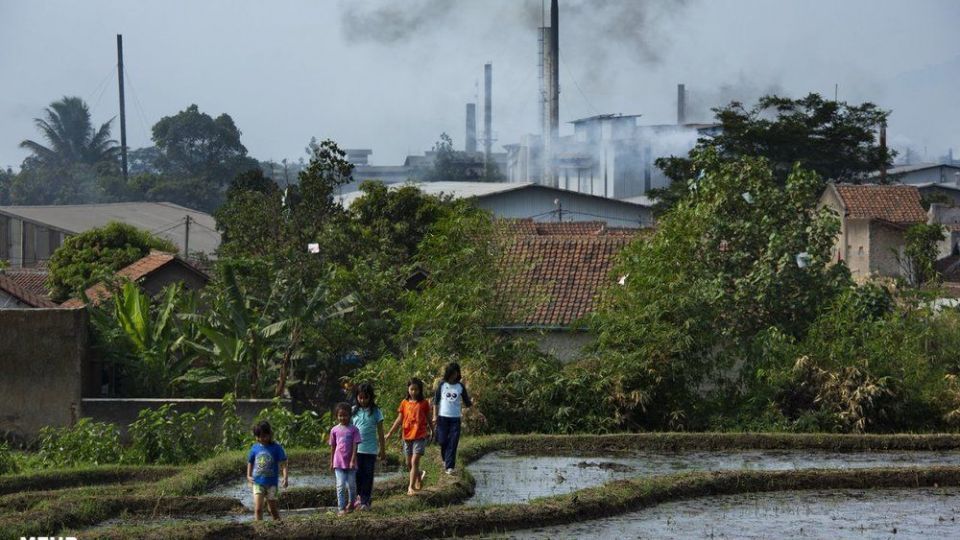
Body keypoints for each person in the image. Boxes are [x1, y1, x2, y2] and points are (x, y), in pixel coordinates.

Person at [385, 377, 433, 496]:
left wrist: (432, 430)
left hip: (420, 435)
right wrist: (390, 432)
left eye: (416, 389)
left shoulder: (424, 403)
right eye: (412, 389)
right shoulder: (404, 403)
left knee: (414, 460)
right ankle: (419, 474)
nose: (414, 392)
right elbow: (399, 419)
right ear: (408, 389)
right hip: (407, 436)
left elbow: (428, 417)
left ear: (420, 390)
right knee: (409, 463)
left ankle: (410, 487)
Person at [432, 362, 478, 474]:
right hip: (443, 418)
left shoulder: (460, 386)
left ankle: (450, 466)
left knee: (453, 442)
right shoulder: (442, 385)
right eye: (452, 374)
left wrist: (477, 413)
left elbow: (468, 403)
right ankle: (445, 459)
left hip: (455, 419)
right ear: (448, 374)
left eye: (456, 374)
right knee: (442, 441)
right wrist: (434, 416)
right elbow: (435, 401)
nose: (454, 376)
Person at [352, 382, 386, 510]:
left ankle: (365, 501)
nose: (363, 400)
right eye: (360, 397)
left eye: (365, 397)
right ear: (357, 397)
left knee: (368, 475)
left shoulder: (376, 412)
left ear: (370, 397)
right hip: (356, 451)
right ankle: (359, 498)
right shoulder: (353, 412)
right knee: (357, 475)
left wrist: (382, 451)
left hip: (371, 451)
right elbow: (349, 432)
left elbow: (381, 433)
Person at [246, 420, 288, 521]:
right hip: (258, 482)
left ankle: (278, 525)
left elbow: (284, 463)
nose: (262, 439)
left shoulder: (276, 448)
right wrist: (248, 475)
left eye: (264, 436)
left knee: (272, 509)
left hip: (272, 484)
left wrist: (285, 477)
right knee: (258, 509)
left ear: (270, 434)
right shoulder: (255, 448)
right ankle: (259, 529)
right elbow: (250, 462)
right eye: (259, 436)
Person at [329, 402, 362, 516]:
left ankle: (351, 503)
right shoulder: (334, 430)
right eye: (340, 415)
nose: (343, 418)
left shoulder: (354, 429)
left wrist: (353, 460)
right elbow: (333, 446)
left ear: (350, 415)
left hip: (351, 463)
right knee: (340, 485)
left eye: (345, 415)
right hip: (338, 462)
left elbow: (355, 446)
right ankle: (341, 508)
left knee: (352, 485)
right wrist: (331, 461)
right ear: (336, 416)